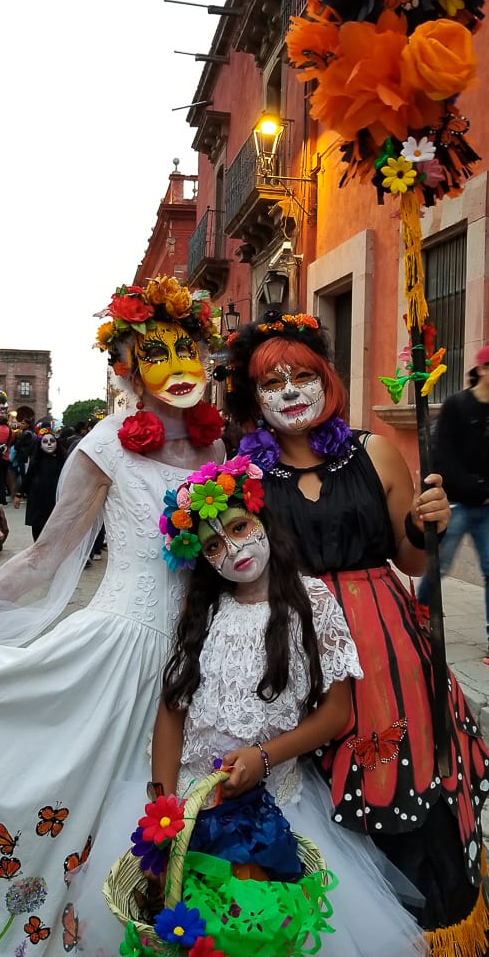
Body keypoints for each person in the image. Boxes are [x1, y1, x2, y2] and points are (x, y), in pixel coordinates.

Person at [78, 457, 426, 956]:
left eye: (239, 526)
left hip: (273, 810)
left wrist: (263, 757)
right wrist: (163, 800)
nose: (233, 548)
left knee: (260, 929)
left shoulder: (313, 603)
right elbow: (172, 709)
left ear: (263, 521)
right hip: (189, 805)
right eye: (214, 544)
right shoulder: (203, 612)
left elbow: (336, 713)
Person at [224, 310, 489, 957]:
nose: (289, 391)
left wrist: (429, 523)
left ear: (328, 381)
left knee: (398, 770)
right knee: (306, 784)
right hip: (289, 643)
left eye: (303, 375)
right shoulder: (240, 473)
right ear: (252, 396)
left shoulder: (373, 451)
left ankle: (430, 928)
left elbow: (416, 562)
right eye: (272, 381)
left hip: (385, 646)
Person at [0, 275, 224, 955]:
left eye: (190, 350)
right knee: (81, 805)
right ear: (128, 366)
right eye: (156, 351)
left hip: (200, 661)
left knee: (169, 825)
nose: (178, 367)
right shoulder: (108, 442)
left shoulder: (221, 448)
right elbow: (45, 557)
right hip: (118, 652)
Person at [417, 345, 489, 663]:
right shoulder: (457, 405)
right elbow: (443, 455)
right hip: (456, 505)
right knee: (438, 566)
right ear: (483, 369)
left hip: (486, 507)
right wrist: (472, 487)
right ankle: (419, 615)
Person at [13, 428, 65, 540]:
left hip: (55, 500)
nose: (49, 444)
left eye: (52, 441)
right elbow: (27, 478)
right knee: (38, 529)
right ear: (40, 445)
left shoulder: (63, 461)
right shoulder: (36, 461)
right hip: (37, 501)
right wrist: (19, 494)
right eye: (45, 442)